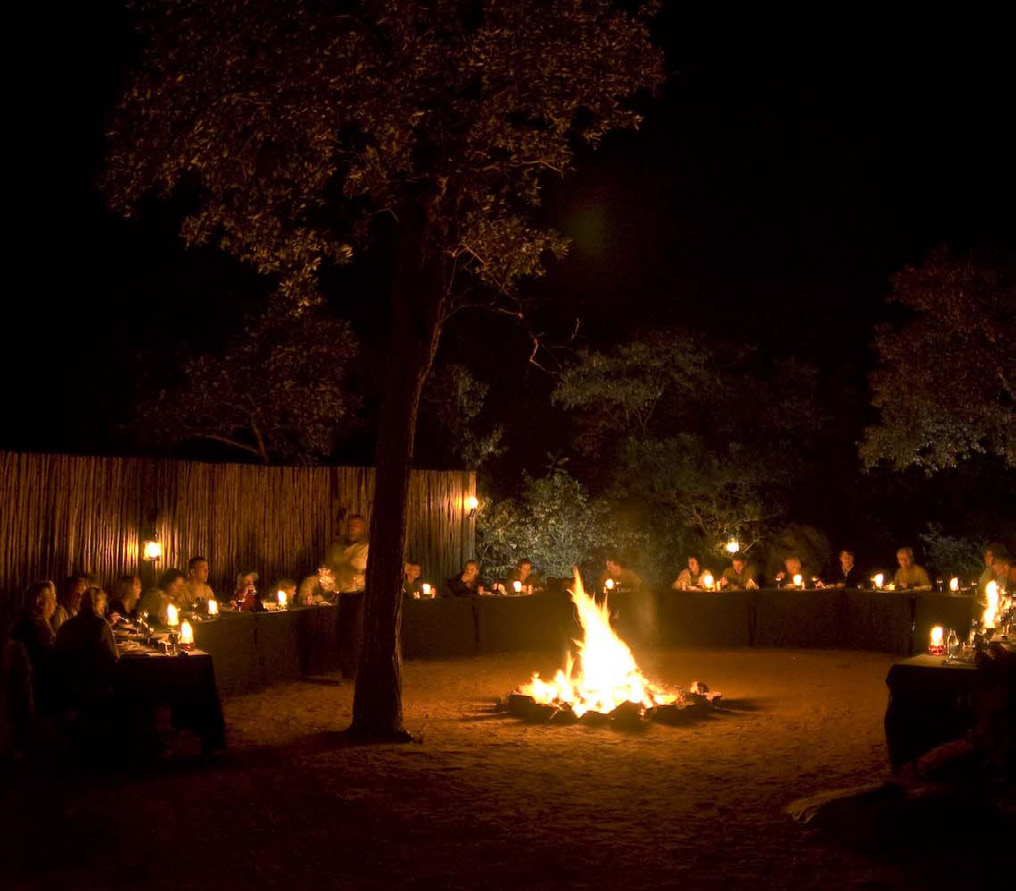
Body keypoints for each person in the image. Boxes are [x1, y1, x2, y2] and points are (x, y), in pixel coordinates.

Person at [54, 586, 118, 712]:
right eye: (103, 604)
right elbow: (114, 658)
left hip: (67, 686)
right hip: (95, 686)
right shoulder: (101, 625)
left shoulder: (68, 625)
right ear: (98, 604)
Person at [328, 515, 369, 680]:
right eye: (350, 526)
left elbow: (357, 565)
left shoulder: (364, 547)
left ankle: (357, 671)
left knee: (355, 633)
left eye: (356, 526)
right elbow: (331, 562)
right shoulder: (338, 547)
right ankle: (347, 671)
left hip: (359, 594)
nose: (352, 529)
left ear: (362, 529)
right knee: (342, 633)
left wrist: (340, 560)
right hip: (344, 594)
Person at [10, 580, 58, 686]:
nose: (56, 604)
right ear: (40, 602)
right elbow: (50, 656)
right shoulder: (36, 625)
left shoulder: (23, 620)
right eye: (53, 599)